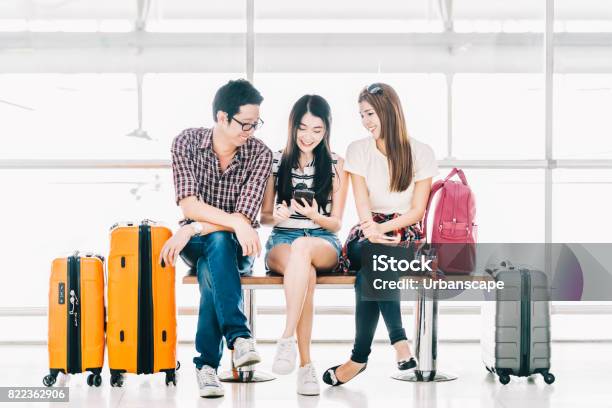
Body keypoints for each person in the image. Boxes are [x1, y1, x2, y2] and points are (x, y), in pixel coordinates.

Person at [160, 79, 273, 398]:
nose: (251, 131)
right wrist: (206, 226)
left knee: (217, 259)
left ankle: (207, 366)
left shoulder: (259, 154)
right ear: (222, 117)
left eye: (256, 124)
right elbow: (189, 204)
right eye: (246, 124)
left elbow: (245, 219)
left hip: (236, 247)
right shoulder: (186, 142)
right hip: (195, 245)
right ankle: (239, 338)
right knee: (218, 243)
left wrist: (193, 226)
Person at [322, 83, 438, 386]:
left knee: (370, 273)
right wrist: (371, 229)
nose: (366, 121)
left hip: (405, 233)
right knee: (375, 255)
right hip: (366, 231)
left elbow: (417, 212)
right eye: (361, 114)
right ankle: (400, 343)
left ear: (389, 111)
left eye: (370, 113)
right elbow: (361, 205)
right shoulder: (358, 150)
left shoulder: (421, 152)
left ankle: (357, 360)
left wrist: (384, 229)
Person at [260, 95, 349, 395]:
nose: (308, 136)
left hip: (322, 241)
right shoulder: (275, 160)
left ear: (326, 131)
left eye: (317, 130)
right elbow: (264, 217)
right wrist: (277, 215)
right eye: (302, 128)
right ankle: (305, 366)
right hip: (282, 241)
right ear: (292, 126)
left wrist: (315, 215)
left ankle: (286, 339)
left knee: (303, 250)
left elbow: (336, 223)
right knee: (304, 271)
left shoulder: (336, 163)